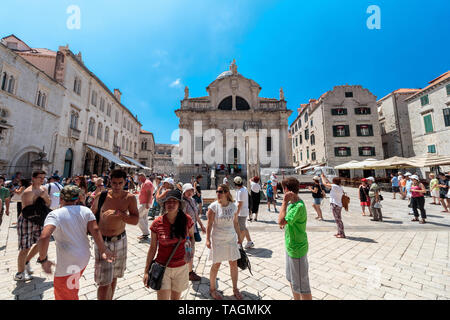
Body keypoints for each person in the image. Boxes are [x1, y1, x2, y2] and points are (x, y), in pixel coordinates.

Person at [36, 185, 115, 300]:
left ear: (61, 199)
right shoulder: (86, 210)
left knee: (64, 293)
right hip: (83, 256)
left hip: (69, 261)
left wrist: (43, 259)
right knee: (71, 288)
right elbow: (95, 230)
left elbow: (44, 237)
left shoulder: (55, 214)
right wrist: (103, 249)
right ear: (77, 199)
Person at [90, 169, 139, 300]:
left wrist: (121, 215)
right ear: (109, 182)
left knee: (114, 277)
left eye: (120, 183)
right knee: (103, 282)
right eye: (114, 183)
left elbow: (135, 220)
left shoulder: (130, 198)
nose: (117, 186)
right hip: (103, 241)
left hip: (120, 240)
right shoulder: (101, 196)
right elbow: (90, 216)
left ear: (125, 182)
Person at [143, 190, 195, 300]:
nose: (171, 204)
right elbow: (152, 248)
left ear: (179, 204)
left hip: (181, 267)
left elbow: (191, 237)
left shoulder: (187, 220)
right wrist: (146, 271)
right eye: (168, 202)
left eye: (174, 201)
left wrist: (190, 252)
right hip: (163, 267)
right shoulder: (157, 223)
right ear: (164, 204)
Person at [206, 184, 242, 300]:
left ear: (226, 193)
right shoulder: (213, 207)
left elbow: (236, 222)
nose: (218, 193)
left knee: (234, 264)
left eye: (220, 191)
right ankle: (212, 289)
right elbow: (209, 224)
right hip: (218, 239)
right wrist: (207, 239)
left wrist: (239, 236)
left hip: (231, 238)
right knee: (216, 264)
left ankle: (235, 289)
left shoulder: (233, 206)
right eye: (217, 191)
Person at [278, 177, 312, 300]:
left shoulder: (298, 206)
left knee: (302, 285)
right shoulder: (293, 203)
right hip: (290, 246)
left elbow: (280, 220)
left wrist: (283, 202)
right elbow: (285, 222)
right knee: (292, 279)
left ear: (286, 190)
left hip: (297, 249)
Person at [15, 170, 51, 281]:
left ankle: (26, 261)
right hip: (27, 220)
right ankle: (20, 274)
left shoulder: (44, 189)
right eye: (40, 177)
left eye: (43, 177)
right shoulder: (28, 192)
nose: (42, 180)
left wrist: (44, 197)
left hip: (38, 220)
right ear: (33, 178)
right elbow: (28, 211)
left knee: (41, 243)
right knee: (25, 248)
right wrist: (38, 198)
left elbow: (48, 202)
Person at [182, 183, 206, 281]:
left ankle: (187, 270)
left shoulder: (192, 200)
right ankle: (189, 273)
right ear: (184, 191)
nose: (190, 192)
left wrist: (201, 225)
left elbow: (196, 215)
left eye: (191, 190)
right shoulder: (183, 202)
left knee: (191, 250)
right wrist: (186, 232)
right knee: (189, 251)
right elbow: (182, 218)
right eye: (188, 191)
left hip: (193, 228)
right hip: (186, 230)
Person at [321, 173, 345, 238]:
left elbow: (325, 184)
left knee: (338, 220)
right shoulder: (339, 187)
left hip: (335, 204)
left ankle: (342, 234)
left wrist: (322, 178)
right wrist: (325, 177)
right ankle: (339, 232)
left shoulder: (335, 186)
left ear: (334, 182)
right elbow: (329, 183)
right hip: (338, 204)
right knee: (338, 219)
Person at [234, 176, 254, 249]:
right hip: (244, 211)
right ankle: (249, 241)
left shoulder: (240, 191)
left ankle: (239, 245)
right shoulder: (244, 188)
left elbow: (240, 204)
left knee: (241, 229)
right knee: (243, 227)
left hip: (241, 212)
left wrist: (236, 213)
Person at [137, 173, 154, 241]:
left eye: (140, 178)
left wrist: (147, 203)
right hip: (145, 202)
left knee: (137, 217)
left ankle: (145, 233)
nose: (139, 179)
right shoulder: (145, 183)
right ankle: (145, 234)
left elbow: (149, 193)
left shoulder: (147, 183)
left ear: (143, 177)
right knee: (144, 218)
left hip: (145, 203)